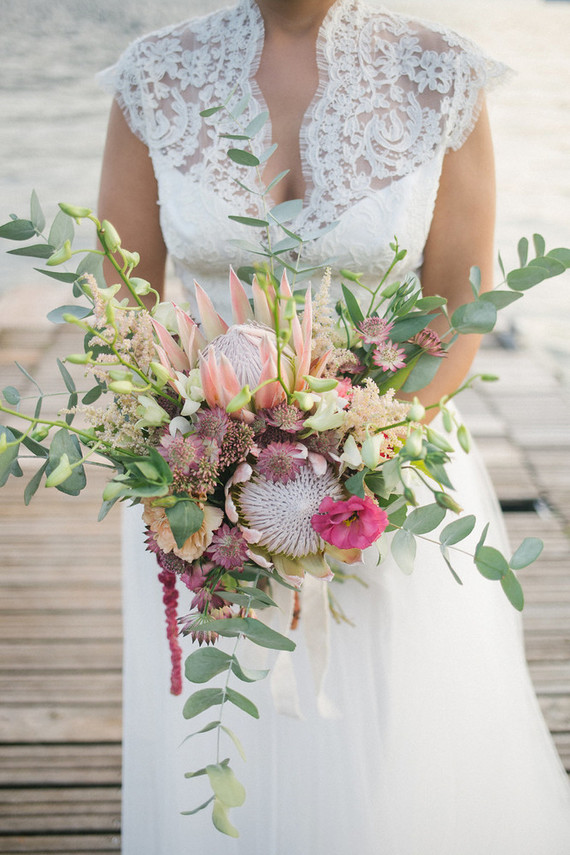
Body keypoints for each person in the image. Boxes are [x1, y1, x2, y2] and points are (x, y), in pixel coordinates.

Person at [97, 0, 570, 852]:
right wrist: (202, 459)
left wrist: (358, 454)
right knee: (230, 746)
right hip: (200, 490)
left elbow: (459, 301)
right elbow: (122, 304)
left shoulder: (442, 74)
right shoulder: (153, 75)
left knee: (388, 752)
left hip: (387, 484)